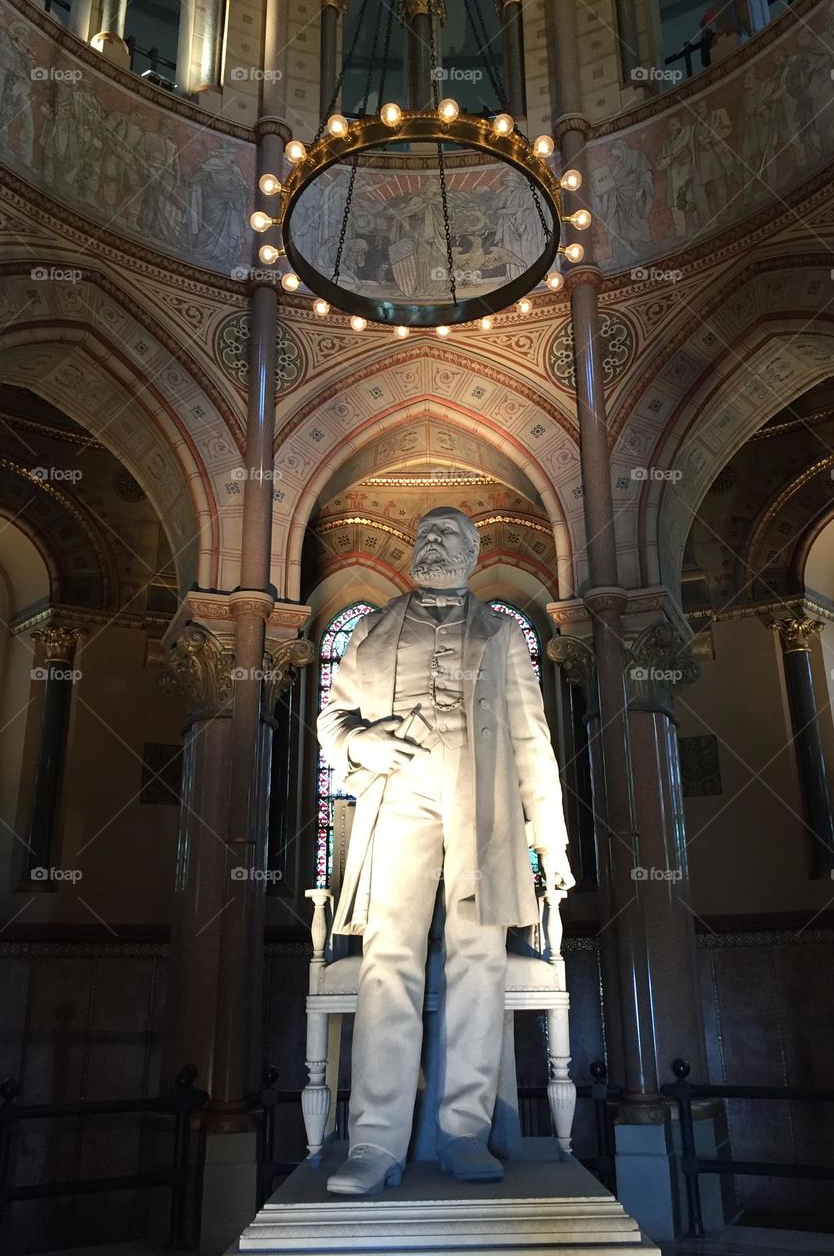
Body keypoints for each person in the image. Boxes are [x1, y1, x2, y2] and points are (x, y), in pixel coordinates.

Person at [316, 506, 575, 1196]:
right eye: (424, 534)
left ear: (472, 553)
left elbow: (531, 740)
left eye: (449, 537)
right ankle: (373, 1144)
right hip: (398, 796)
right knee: (388, 961)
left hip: (481, 804)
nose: (433, 543)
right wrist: (359, 743)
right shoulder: (371, 629)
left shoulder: (501, 636)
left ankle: (465, 1131)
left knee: (478, 961)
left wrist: (551, 837)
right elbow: (332, 719)